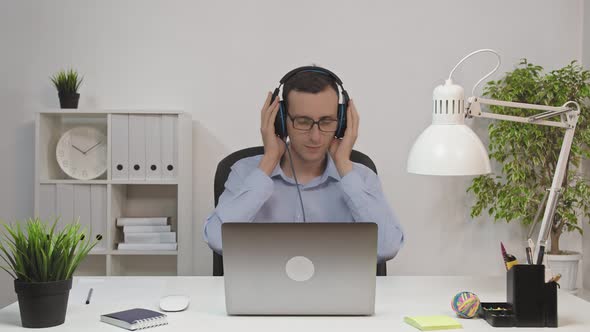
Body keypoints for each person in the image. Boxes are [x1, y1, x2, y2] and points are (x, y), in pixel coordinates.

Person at [203, 67, 404, 263]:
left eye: (326, 122)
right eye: (302, 121)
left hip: (335, 295)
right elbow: (217, 240)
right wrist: (269, 160)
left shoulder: (361, 177)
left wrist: (343, 164)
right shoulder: (245, 172)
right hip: (265, 295)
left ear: (341, 122)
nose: (315, 137)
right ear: (280, 121)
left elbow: (387, 248)